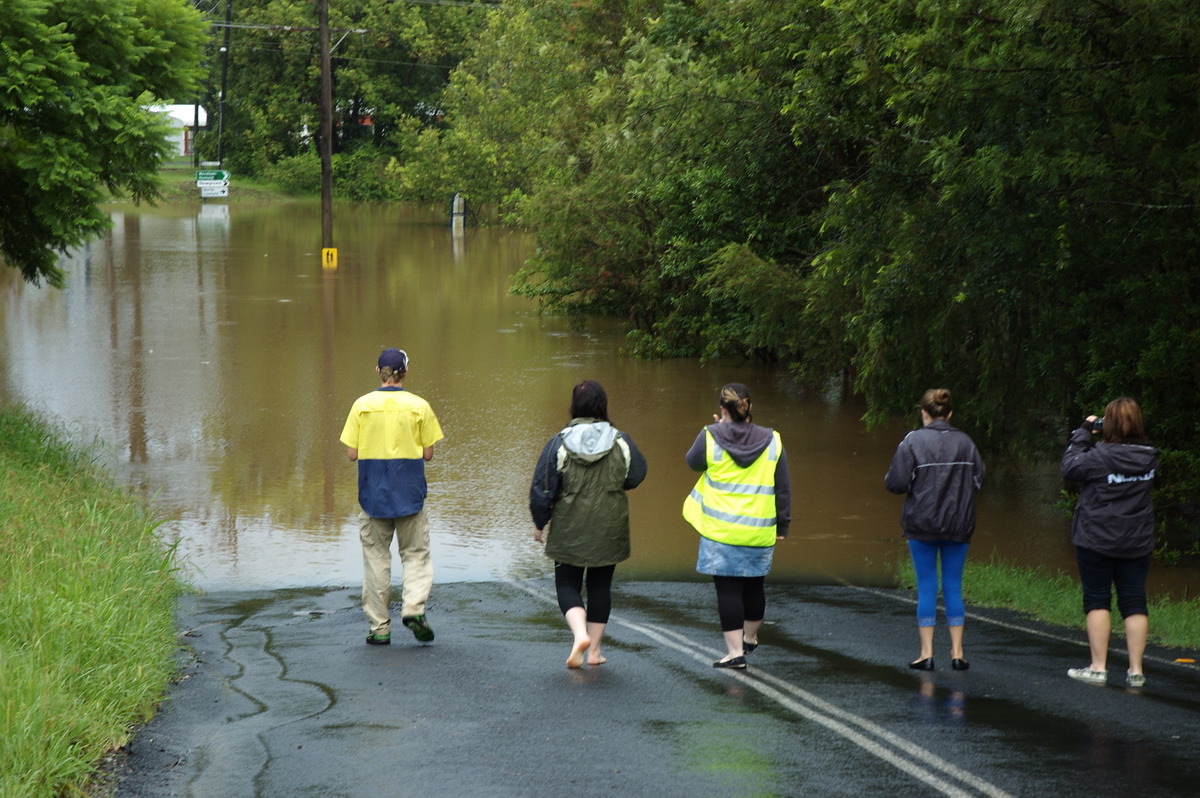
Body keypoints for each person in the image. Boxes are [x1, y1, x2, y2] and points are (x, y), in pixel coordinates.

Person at [530, 380, 648, 669]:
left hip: (570, 527)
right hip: (610, 526)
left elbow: (543, 486)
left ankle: (579, 634)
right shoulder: (621, 440)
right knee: (600, 586)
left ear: (574, 407)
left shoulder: (559, 441)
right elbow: (637, 474)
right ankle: (594, 651)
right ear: (602, 406)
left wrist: (539, 522)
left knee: (567, 584)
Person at [339, 347, 444, 646]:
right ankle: (413, 609)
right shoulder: (419, 406)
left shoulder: (361, 405)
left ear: (378, 371)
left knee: (375, 560)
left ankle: (379, 628)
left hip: (373, 495)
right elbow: (428, 454)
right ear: (405, 372)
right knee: (415, 555)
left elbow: (351, 454)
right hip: (409, 493)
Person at [683, 383, 791, 670]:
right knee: (754, 586)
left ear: (722, 409)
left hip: (722, 531)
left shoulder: (710, 435)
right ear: (749, 406)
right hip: (759, 529)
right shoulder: (774, 440)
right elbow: (783, 488)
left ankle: (734, 653)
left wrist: (716, 430)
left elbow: (692, 463)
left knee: (728, 590)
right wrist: (784, 525)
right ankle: (750, 638)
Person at [1060, 397, 1158, 687]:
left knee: (1097, 600)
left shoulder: (1098, 457)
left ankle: (1098, 667)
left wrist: (1083, 433)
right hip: (1137, 540)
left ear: (1108, 425)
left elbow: (1069, 467)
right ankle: (1136, 670)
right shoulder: (1150, 458)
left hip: (1096, 538)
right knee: (1134, 600)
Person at [884, 388, 984, 672]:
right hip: (959, 524)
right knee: (953, 587)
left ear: (923, 413)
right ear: (950, 413)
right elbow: (980, 479)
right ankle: (957, 653)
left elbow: (897, 483)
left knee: (927, 587)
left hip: (922, 524)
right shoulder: (966, 442)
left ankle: (926, 654)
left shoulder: (912, 441)